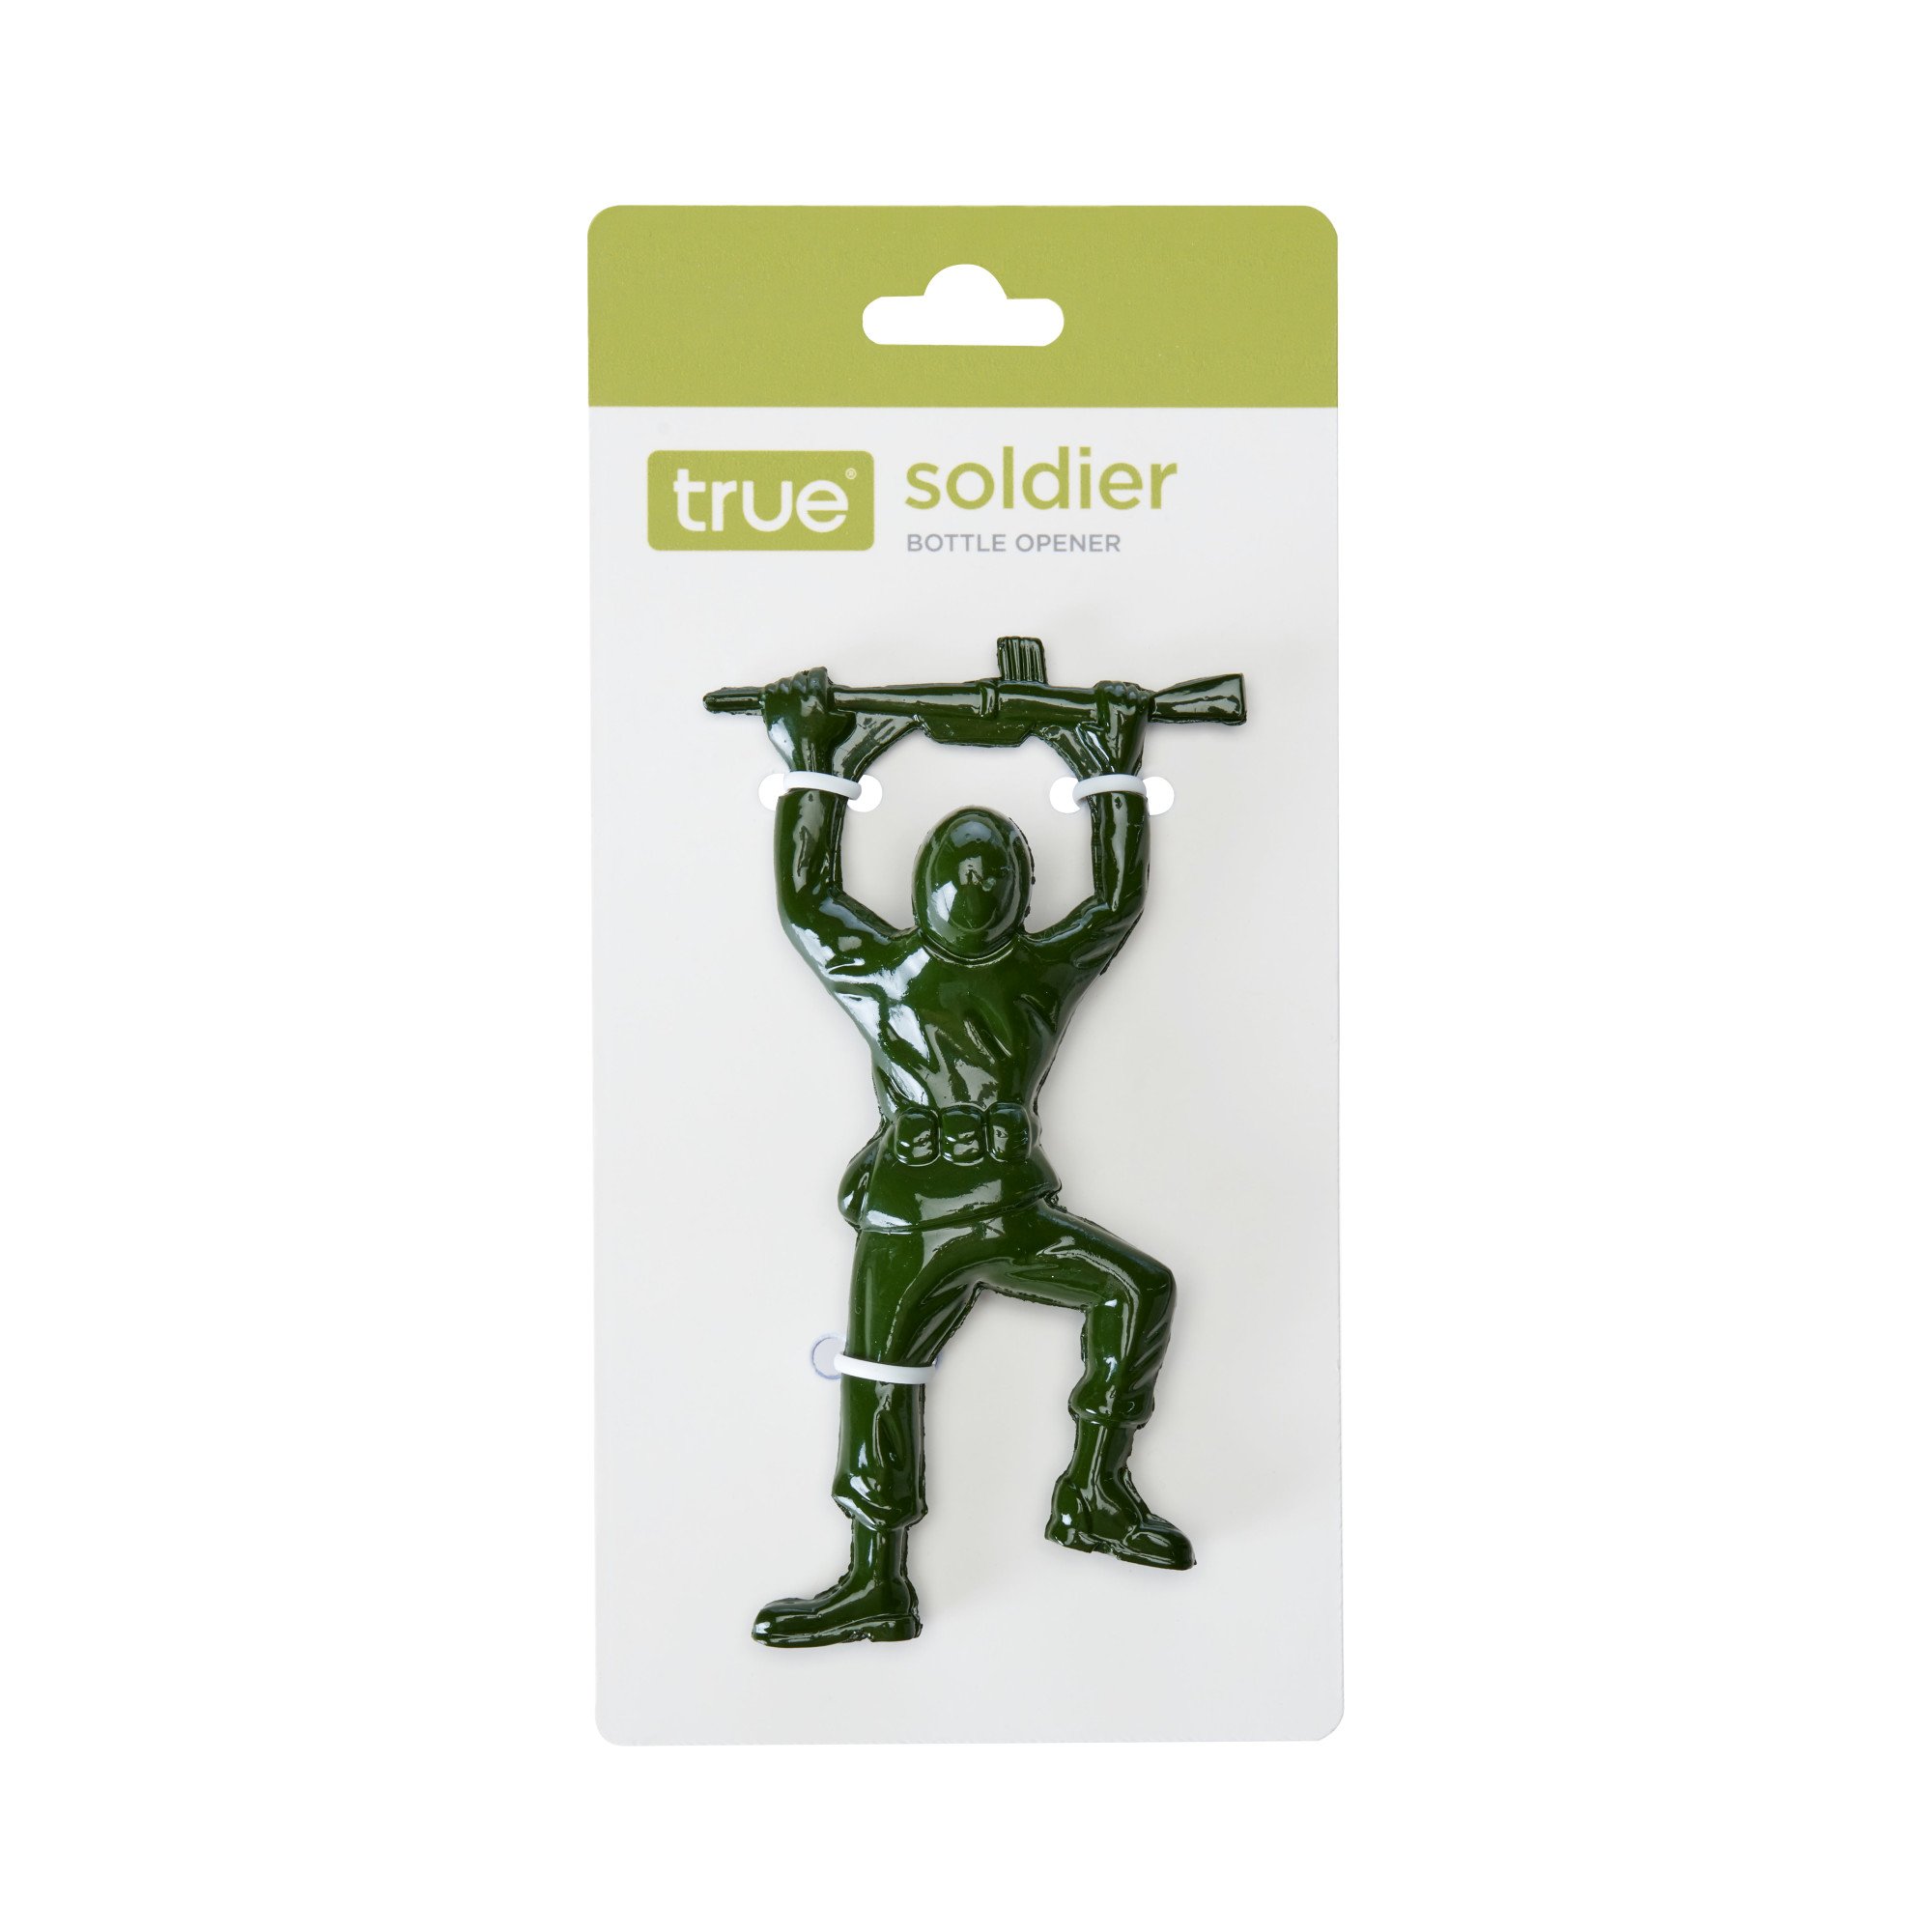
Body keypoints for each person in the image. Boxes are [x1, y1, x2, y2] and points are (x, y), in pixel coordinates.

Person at [748, 668, 1193, 1648]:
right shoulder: (885, 971)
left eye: (997, 869)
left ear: (1023, 894)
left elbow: (1114, 903)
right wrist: (812, 762)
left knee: (1137, 1289)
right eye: (959, 864)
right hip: (909, 1214)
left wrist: (1112, 772)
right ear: (922, 882)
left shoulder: (1040, 971)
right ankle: (875, 1577)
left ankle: (1094, 1490)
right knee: (879, 1378)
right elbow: (806, 900)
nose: (976, 882)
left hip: (1008, 1209)